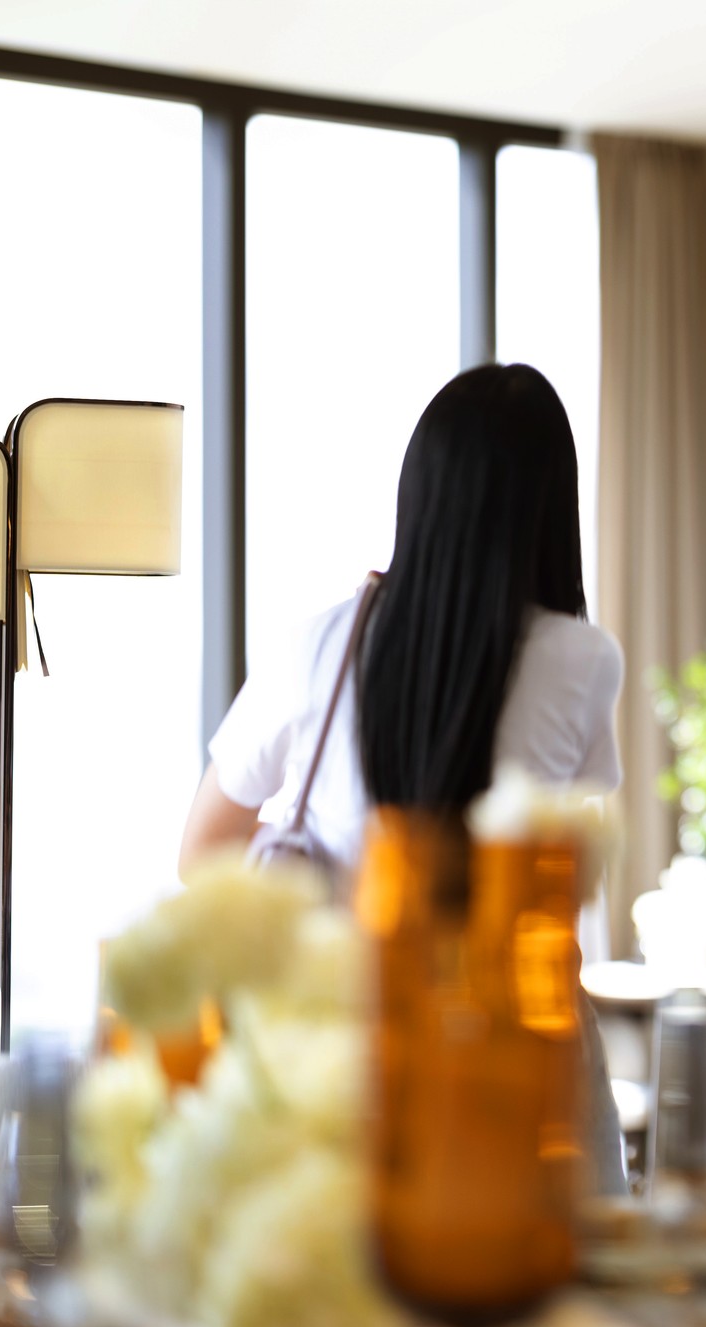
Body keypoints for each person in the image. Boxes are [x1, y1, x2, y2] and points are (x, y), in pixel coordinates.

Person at [177, 363, 629, 1195]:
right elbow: (562, 877)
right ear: (550, 506)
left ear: (418, 492)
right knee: (552, 1263)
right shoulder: (583, 660)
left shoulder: (317, 642)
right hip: (514, 1054)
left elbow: (203, 854)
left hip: (342, 1055)